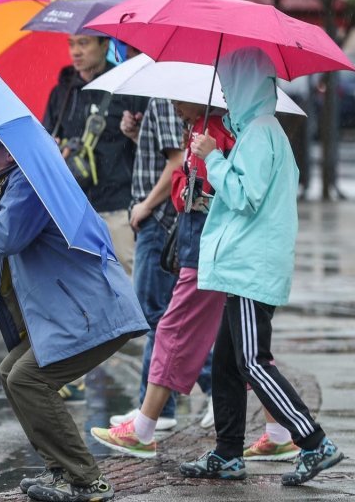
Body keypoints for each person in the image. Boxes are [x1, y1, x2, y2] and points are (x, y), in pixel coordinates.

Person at [0, 119, 149, 502]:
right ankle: (62, 472)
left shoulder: (32, 184)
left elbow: (3, 235)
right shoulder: (7, 188)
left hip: (92, 311)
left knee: (27, 379)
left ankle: (86, 480)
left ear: (11, 150)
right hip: (70, 313)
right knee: (10, 372)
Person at [179, 47, 343, 485]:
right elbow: (250, 196)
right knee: (229, 363)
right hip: (245, 266)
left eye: (232, 86)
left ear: (246, 85)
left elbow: (245, 197)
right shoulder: (261, 132)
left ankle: (313, 442)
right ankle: (228, 454)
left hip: (250, 269)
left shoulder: (259, 133)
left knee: (251, 360)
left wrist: (213, 157)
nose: (228, 96)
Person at [92, 100, 235, 457]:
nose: (175, 108)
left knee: (172, 325)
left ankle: (148, 424)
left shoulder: (213, 131)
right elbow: (183, 181)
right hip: (198, 242)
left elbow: (215, 193)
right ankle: (270, 434)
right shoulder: (201, 129)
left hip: (199, 242)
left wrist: (202, 165)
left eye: (178, 105)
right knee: (240, 343)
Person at [42, 35, 148, 402]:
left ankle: (164, 375)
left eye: (85, 43)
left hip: (117, 203)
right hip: (74, 207)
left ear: (106, 46)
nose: (76, 50)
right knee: (73, 292)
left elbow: (146, 147)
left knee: (135, 293)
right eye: (72, 43)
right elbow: (46, 138)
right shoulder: (64, 91)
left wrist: (133, 135)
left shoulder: (127, 88)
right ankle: (73, 373)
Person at [107, 95, 186, 431]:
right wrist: (138, 136)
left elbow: (177, 161)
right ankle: (156, 409)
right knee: (159, 316)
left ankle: (162, 406)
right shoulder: (160, 100)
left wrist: (147, 207)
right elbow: (164, 155)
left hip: (158, 220)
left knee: (156, 315)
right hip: (155, 219)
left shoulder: (168, 98)